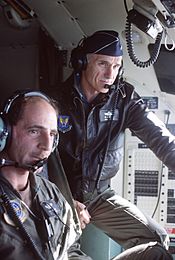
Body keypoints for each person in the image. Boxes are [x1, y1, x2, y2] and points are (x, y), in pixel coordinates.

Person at [49, 30, 174, 259]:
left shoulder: (124, 99)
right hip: (58, 196)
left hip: (99, 195)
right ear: (82, 62)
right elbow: (35, 163)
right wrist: (63, 200)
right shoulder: (54, 100)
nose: (110, 74)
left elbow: (161, 139)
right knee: (66, 255)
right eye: (103, 64)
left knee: (156, 241)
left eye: (116, 66)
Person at [0, 90, 82, 260]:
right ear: (4, 132)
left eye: (52, 134)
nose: (46, 146)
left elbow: (71, 249)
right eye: (34, 131)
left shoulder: (50, 191)